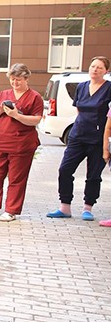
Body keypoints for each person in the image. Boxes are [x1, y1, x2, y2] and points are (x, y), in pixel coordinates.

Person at [48, 55, 111, 221]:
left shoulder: (109, 88)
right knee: (65, 169)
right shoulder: (82, 87)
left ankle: (88, 207)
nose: (95, 69)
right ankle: (65, 207)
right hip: (77, 136)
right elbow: (78, 110)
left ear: (106, 71)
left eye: (99, 67)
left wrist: (105, 145)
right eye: (92, 66)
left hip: (97, 138)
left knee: (93, 175)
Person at [0, 63, 44, 222]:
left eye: (18, 80)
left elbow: (36, 119)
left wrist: (17, 115)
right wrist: (0, 111)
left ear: (26, 79)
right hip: (1, 141)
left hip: (22, 144)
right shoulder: (4, 94)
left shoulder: (35, 97)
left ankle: (11, 210)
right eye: (12, 79)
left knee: (16, 178)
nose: (15, 83)